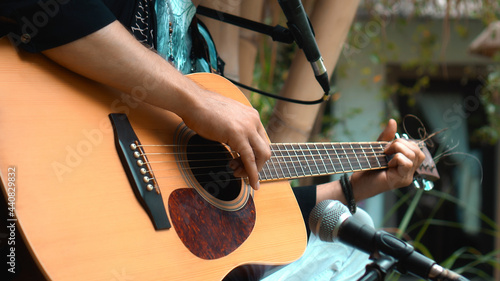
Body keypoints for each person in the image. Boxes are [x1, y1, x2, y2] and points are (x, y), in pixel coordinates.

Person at [0, 1, 425, 280]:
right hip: (30, 180)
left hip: (100, 254)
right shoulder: (199, 84)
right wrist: (194, 99)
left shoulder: (200, 50)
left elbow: (235, 221)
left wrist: (354, 187)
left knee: (351, 245)